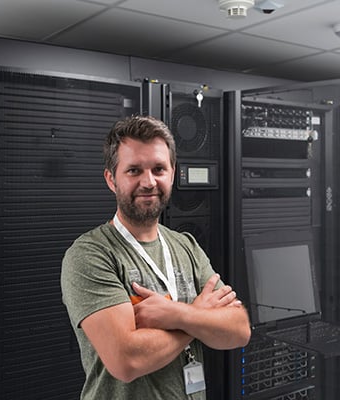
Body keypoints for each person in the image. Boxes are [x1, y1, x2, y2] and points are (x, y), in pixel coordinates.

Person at [61, 115, 251, 400]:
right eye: (134, 170)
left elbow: (238, 330)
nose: (148, 182)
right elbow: (127, 360)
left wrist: (177, 314)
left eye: (158, 169)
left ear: (172, 173)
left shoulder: (186, 246)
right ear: (111, 179)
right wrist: (199, 317)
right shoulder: (91, 254)